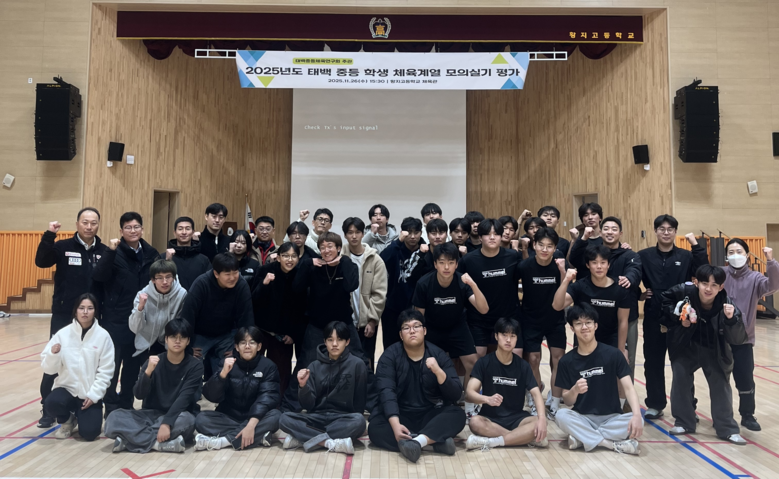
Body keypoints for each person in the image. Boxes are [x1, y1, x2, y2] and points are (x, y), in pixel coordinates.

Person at [34, 207, 108, 428]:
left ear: (98, 225)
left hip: (92, 318)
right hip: (64, 315)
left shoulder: (104, 251)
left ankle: (85, 403)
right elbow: (41, 261)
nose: (89, 226)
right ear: (77, 224)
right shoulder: (63, 247)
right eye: (85, 222)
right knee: (56, 357)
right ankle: (48, 408)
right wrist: (49, 235)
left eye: (93, 223)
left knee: (90, 362)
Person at [661, 265, 749, 445]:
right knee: (680, 381)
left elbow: (738, 338)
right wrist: (678, 317)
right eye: (704, 283)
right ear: (696, 283)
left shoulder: (728, 305)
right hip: (685, 346)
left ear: (721, 287)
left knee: (720, 386)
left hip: (714, 349)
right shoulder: (684, 292)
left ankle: (727, 428)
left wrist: (731, 320)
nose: (708, 289)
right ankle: (684, 422)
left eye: (714, 285)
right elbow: (664, 301)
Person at [368, 310, 465, 463]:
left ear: (424, 331)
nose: (412, 331)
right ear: (401, 335)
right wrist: (395, 425)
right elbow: (386, 392)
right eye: (406, 328)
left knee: (458, 415)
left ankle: (415, 442)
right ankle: (433, 441)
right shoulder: (389, 356)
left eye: (416, 326)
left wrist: (439, 372)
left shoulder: (438, 355)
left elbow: (455, 394)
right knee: (374, 428)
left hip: (430, 414)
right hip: (401, 414)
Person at [637, 214, 708, 420]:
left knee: (684, 364)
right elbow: (630, 278)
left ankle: (688, 407)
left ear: (675, 232)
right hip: (653, 316)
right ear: (655, 231)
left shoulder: (686, 256)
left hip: (681, 318)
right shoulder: (643, 256)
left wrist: (696, 246)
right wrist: (639, 294)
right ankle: (655, 404)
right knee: (653, 362)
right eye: (662, 229)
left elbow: (703, 270)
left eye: (670, 229)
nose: (666, 232)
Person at [93, 212, 160, 416]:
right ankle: (111, 407)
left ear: (142, 229)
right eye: (128, 227)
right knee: (112, 366)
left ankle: (126, 404)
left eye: (136, 227)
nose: (133, 231)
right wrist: (110, 252)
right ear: (121, 231)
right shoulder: (113, 252)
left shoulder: (151, 253)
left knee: (132, 367)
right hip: (115, 318)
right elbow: (99, 276)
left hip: (140, 318)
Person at [554, 304, 643, 455]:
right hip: (583, 417)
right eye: (578, 323)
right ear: (572, 328)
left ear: (595, 326)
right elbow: (568, 401)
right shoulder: (566, 361)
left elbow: (628, 388)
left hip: (612, 418)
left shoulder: (614, 354)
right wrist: (575, 390)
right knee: (561, 415)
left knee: (639, 419)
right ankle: (611, 445)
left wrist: (636, 415)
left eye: (588, 323)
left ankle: (582, 437)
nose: (584, 327)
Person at [106, 319, 203, 453]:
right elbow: (139, 394)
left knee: (189, 421)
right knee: (113, 418)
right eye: (173, 337)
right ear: (166, 339)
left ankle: (130, 441)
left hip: (177, 415)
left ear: (188, 341)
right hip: (150, 415)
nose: (177, 341)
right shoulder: (152, 362)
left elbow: (184, 398)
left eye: (182, 337)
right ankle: (158, 445)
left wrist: (167, 423)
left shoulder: (195, 366)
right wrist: (148, 373)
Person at [412, 242, 486, 413]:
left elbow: (483, 309)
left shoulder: (462, 282)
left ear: (456, 264)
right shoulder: (424, 283)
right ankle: (432, 401)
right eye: (442, 262)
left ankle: (470, 405)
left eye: (451, 262)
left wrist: (473, 285)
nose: (446, 267)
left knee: (473, 363)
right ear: (435, 264)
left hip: (457, 328)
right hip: (432, 328)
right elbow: (418, 317)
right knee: (427, 365)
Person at [279, 321, 367, 455]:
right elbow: (307, 405)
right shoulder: (314, 366)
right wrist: (303, 386)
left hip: (342, 419)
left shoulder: (357, 365)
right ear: (325, 342)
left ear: (347, 342)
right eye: (330, 340)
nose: (335, 344)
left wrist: (354, 424)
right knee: (284, 419)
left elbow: (359, 403)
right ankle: (328, 443)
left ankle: (304, 438)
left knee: (359, 421)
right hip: (316, 418)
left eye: (339, 339)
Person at [465, 318, 547, 450]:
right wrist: (487, 399)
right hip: (491, 419)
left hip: (517, 418)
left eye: (512, 336)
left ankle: (492, 442)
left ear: (517, 339)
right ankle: (521, 438)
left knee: (539, 421)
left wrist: (542, 418)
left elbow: (536, 394)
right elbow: (469, 393)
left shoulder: (523, 366)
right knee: (475, 422)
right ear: (496, 336)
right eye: (504, 335)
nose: (508, 340)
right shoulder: (484, 363)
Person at [41, 293, 114, 441]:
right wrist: (53, 354)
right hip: (66, 389)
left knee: (89, 434)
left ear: (95, 311)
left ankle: (83, 416)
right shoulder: (62, 334)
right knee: (51, 403)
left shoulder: (103, 336)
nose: (85, 312)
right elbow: (48, 369)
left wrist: (94, 395)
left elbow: (106, 371)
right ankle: (67, 420)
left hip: (88, 394)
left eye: (90, 308)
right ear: (75, 310)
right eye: (81, 308)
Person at [722, 239, 779, 432]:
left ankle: (747, 414)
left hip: (744, 337)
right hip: (720, 336)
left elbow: (773, 286)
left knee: (745, 378)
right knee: (719, 378)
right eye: (731, 252)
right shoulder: (720, 274)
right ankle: (722, 415)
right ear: (726, 256)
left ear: (747, 255)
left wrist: (771, 261)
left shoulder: (755, 278)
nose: (735, 255)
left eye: (739, 251)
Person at [195, 327, 282, 451]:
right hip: (229, 417)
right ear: (236, 347)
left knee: (276, 416)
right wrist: (222, 375)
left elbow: (267, 398)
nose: (247, 346)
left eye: (252, 342)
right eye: (243, 343)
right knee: (201, 419)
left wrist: (250, 425)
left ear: (259, 346)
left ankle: (222, 442)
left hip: (256, 419)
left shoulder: (268, 366)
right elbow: (211, 396)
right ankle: (258, 436)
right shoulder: (226, 363)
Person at [517, 227, 567, 419]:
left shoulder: (559, 265)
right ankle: (535, 398)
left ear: (555, 248)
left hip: (555, 320)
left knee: (558, 359)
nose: (545, 249)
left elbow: (567, 288)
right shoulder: (524, 266)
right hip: (531, 319)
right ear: (534, 245)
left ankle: (555, 402)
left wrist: (562, 270)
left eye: (549, 246)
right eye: (541, 245)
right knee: (533, 359)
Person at [181, 253, 254, 378]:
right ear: (216, 273)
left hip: (226, 334)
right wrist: (187, 347)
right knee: (192, 367)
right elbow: (188, 317)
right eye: (227, 274)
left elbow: (246, 319)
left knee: (230, 368)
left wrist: (239, 347)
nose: (232, 278)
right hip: (200, 334)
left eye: (235, 272)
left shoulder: (241, 285)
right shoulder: (201, 283)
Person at [457, 219, 522, 358]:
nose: (492, 237)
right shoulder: (468, 260)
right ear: (480, 237)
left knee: (515, 356)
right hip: (479, 320)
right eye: (487, 234)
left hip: (508, 317)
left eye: (496, 234)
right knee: (478, 357)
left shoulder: (513, 256)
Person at [252, 243, 308, 397]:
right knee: (255, 366)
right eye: (285, 256)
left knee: (281, 371)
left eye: (293, 256)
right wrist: (264, 284)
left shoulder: (300, 276)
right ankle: (252, 398)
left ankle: (278, 401)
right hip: (261, 329)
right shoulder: (265, 270)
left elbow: (302, 310)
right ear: (278, 257)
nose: (289, 260)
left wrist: (293, 334)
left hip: (284, 334)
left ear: (298, 258)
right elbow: (254, 300)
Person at [599, 217, 642, 384]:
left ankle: (625, 396)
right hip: (600, 316)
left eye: (614, 229)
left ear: (620, 233)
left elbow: (635, 271)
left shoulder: (630, 255)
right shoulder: (594, 254)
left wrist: (629, 278)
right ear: (600, 232)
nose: (610, 232)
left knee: (626, 358)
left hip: (627, 316)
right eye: (606, 228)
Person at [341, 217, 388, 369]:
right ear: (345, 235)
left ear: (363, 233)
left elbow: (379, 293)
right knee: (344, 362)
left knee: (366, 362)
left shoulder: (375, 260)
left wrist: (372, 320)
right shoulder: (339, 258)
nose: (354, 236)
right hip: (345, 322)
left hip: (366, 323)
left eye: (357, 232)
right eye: (350, 232)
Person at [380, 217, 424, 349]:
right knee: (391, 345)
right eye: (409, 232)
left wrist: (423, 253)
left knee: (415, 344)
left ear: (421, 233)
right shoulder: (396, 248)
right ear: (402, 232)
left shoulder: (425, 250)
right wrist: (398, 241)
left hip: (417, 305)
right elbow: (382, 260)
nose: (412, 236)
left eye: (416, 232)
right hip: (393, 305)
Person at [129, 259, 187, 358]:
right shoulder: (142, 294)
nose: (165, 282)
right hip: (145, 343)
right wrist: (140, 308)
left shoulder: (181, 294)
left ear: (174, 277)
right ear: (153, 280)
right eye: (160, 278)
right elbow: (134, 328)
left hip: (170, 343)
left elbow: (181, 323)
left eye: (168, 277)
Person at [162, 216, 210, 290]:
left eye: (187, 229)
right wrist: (167, 262)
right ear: (174, 233)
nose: (184, 232)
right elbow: (156, 281)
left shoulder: (203, 260)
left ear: (193, 232)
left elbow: (208, 284)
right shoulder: (164, 257)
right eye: (180, 229)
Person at [409, 218, 449, 284]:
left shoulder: (452, 253)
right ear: (427, 235)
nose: (437, 237)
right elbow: (410, 277)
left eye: (441, 233)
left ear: (446, 235)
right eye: (433, 233)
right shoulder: (419, 253)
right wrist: (421, 255)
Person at [568, 202, 604, 277]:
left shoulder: (606, 238)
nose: (590, 217)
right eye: (586, 215)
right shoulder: (580, 240)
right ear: (582, 220)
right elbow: (570, 265)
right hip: (583, 279)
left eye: (593, 214)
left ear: (600, 218)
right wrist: (574, 241)